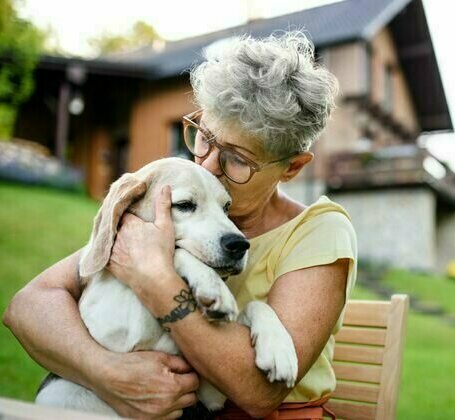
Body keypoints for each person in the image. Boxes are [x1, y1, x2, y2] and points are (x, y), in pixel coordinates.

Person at [3, 30, 357, 419]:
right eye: (204, 137)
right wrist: (108, 374)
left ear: (292, 167)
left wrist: (154, 277)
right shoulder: (169, 204)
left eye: (236, 159)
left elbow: (258, 393)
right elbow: (28, 306)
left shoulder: (319, 230)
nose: (204, 166)